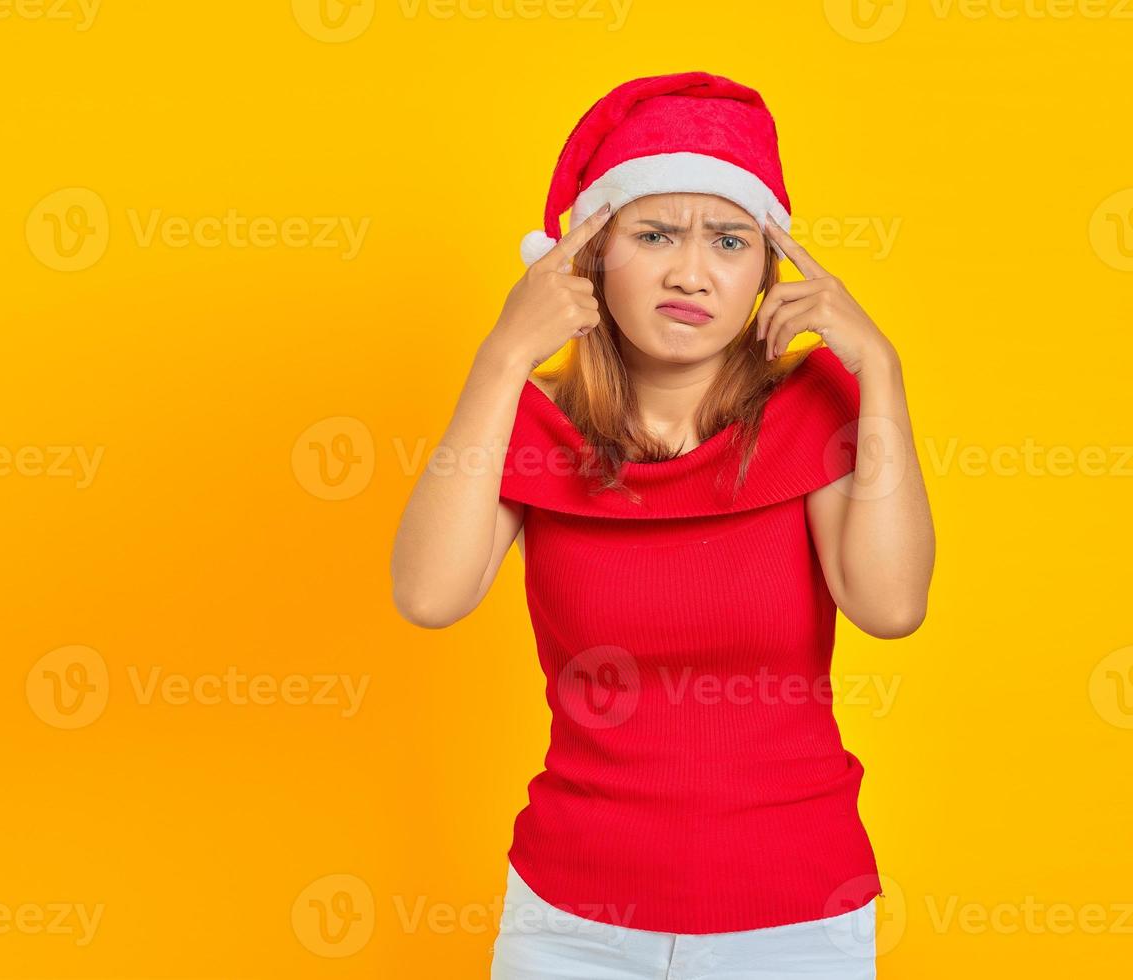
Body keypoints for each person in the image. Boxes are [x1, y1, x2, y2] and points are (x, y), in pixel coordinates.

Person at [390, 71, 935, 979]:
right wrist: (502, 358)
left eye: (729, 240)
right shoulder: (535, 423)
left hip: (793, 918)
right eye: (654, 235)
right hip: (572, 921)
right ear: (592, 257)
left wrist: (883, 370)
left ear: (767, 270)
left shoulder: (820, 408)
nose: (692, 271)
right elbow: (427, 594)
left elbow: (889, 606)